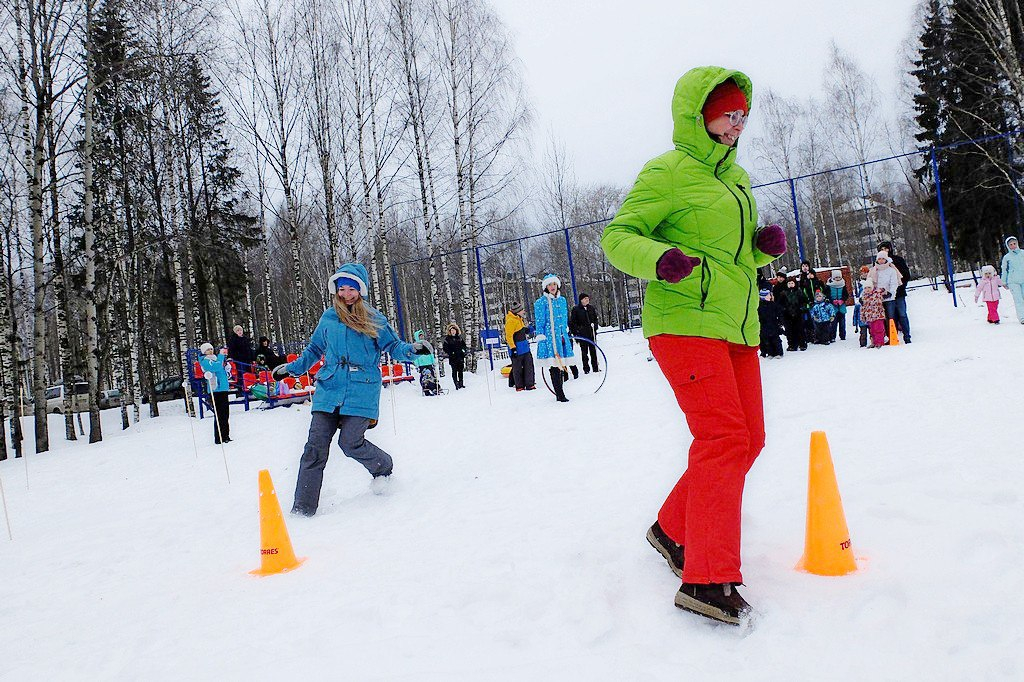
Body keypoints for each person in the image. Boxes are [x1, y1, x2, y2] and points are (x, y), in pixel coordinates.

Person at [600, 67, 786, 625]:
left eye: (742, 116)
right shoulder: (668, 171)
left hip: (735, 325)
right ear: (699, 115)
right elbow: (617, 237)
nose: (737, 125)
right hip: (683, 323)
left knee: (749, 438)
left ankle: (673, 529)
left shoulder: (738, 178)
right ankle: (706, 580)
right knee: (723, 438)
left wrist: (760, 248)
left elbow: (730, 256)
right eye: (728, 114)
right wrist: (659, 258)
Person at [272, 263, 429, 516]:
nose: (346, 294)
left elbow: (393, 346)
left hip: (361, 390)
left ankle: (383, 466)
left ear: (360, 290)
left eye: (351, 289)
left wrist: (412, 350)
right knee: (314, 448)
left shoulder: (374, 319)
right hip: (329, 388)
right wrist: (292, 369)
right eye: (342, 289)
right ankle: (303, 508)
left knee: (350, 442)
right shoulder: (328, 317)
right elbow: (314, 350)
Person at [533, 274, 576, 403]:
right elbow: (540, 321)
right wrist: (541, 336)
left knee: (561, 364)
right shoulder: (541, 302)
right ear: (546, 287)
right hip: (550, 338)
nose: (552, 287)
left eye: (554, 284)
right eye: (549, 285)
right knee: (554, 365)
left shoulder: (562, 300)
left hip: (561, 337)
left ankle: (560, 391)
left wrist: (565, 331)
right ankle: (560, 394)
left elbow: (564, 317)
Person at [877, 241, 912, 342]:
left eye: (886, 249)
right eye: (882, 249)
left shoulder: (897, 260)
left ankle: (907, 336)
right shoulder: (878, 266)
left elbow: (906, 275)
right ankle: (893, 337)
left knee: (902, 314)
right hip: (886, 296)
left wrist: (900, 286)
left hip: (899, 293)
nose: (884, 251)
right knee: (890, 316)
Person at [199, 343, 232, 444]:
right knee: (219, 414)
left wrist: (227, 370)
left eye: (211, 349)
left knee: (225, 413)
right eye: (208, 349)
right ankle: (219, 437)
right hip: (215, 389)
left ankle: (226, 435)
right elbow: (216, 367)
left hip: (223, 388)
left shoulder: (217, 359)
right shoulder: (205, 361)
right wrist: (221, 356)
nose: (210, 351)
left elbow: (222, 370)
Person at [504, 302, 536, 391]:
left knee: (529, 366)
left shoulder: (519, 319)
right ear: (517, 311)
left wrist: (529, 329)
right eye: (522, 310)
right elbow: (509, 336)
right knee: (517, 368)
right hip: (517, 349)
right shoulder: (510, 321)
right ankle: (519, 386)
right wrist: (513, 348)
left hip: (525, 348)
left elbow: (521, 330)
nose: (523, 311)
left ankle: (530, 384)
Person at [871, 252, 902, 341]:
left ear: (886, 259)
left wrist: (890, 293)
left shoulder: (891, 270)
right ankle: (881, 337)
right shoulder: (873, 271)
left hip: (889, 298)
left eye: (883, 259)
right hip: (877, 299)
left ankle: (892, 336)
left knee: (890, 317)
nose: (881, 261)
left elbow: (894, 283)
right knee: (880, 319)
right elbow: (871, 284)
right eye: (879, 259)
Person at [569, 293, 601, 374]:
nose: (587, 300)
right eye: (585, 298)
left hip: (591, 333)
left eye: (588, 298)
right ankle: (586, 369)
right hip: (582, 335)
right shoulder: (576, 309)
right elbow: (573, 322)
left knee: (593, 351)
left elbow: (595, 319)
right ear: (581, 300)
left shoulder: (591, 308)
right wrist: (578, 331)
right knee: (584, 352)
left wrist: (595, 326)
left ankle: (595, 367)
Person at [1000, 236, 1024, 324]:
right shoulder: (1007, 257)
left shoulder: (1023, 253)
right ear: (1008, 246)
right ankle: (1022, 317)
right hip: (1013, 281)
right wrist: (1003, 281)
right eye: (1011, 244)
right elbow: (1004, 270)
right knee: (1018, 300)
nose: (1013, 246)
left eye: (1014, 243)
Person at [779, 278, 807, 351]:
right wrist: (783, 309)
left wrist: (801, 308)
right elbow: (780, 303)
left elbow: (804, 301)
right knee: (789, 331)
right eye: (789, 283)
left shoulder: (799, 291)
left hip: (798, 313)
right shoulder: (783, 293)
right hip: (787, 314)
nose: (790, 285)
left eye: (792, 283)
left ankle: (802, 344)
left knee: (800, 329)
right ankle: (792, 345)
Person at [859, 280, 887, 348]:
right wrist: (862, 316)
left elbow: (883, 293)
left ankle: (880, 342)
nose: (867, 289)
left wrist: (882, 290)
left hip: (878, 315)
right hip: (869, 316)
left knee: (879, 329)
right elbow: (863, 307)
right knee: (872, 330)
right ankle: (874, 342)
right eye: (865, 288)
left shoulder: (876, 294)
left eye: (869, 287)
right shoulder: (864, 297)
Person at [757, 289, 784, 358]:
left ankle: (779, 352)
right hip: (764, 326)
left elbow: (779, 313)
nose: (770, 296)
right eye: (768, 295)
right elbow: (758, 316)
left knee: (776, 339)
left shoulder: (773, 304)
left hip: (774, 324)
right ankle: (770, 353)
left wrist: (780, 321)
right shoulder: (760, 306)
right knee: (767, 340)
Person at [411, 330, 439, 396]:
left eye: (422, 336)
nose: (421, 337)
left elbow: (431, 352)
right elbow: (415, 356)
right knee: (424, 377)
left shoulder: (426, 343)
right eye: (420, 336)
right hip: (421, 364)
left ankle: (433, 388)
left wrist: (433, 361)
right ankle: (425, 389)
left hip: (429, 363)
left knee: (431, 375)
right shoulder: (416, 345)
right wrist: (417, 364)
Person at [824, 270, 849, 342]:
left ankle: (843, 336)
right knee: (833, 323)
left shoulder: (843, 285)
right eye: (836, 277)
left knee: (842, 322)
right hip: (833, 307)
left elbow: (846, 294)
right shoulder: (829, 285)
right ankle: (832, 336)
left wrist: (843, 300)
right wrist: (832, 301)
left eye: (839, 277)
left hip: (841, 306)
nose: (838, 279)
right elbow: (827, 295)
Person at [442, 323, 467, 390]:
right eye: (451, 330)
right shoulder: (447, 339)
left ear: (456, 331)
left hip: (460, 357)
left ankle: (461, 383)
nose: (453, 332)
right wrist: (451, 353)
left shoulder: (459, 338)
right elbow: (445, 348)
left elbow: (464, 346)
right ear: (449, 331)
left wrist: (463, 351)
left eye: (454, 330)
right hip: (453, 358)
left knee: (460, 371)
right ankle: (456, 384)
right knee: (454, 371)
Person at [853, 265, 870, 348]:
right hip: (861, 306)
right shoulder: (859, 283)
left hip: (869, 306)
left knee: (872, 328)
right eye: (862, 273)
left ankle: (874, 340)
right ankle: (863, 343)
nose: (864, 274)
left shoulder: (871, 281)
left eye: (865, 272)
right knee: (863, 329)